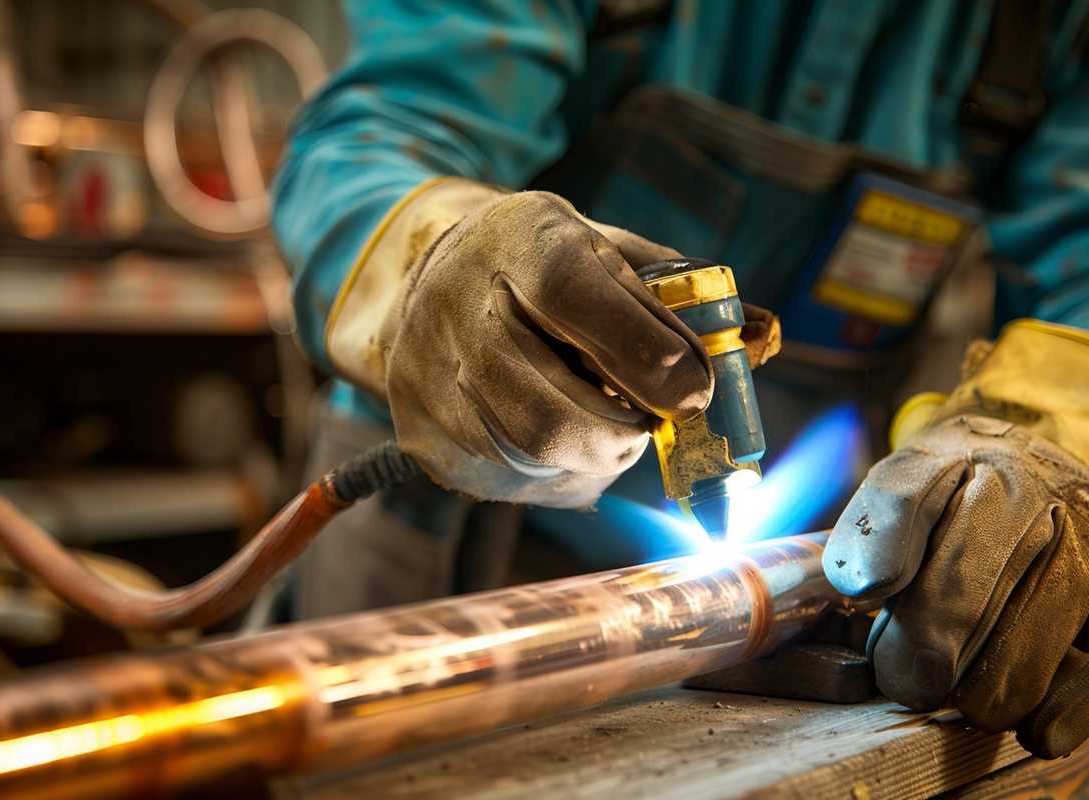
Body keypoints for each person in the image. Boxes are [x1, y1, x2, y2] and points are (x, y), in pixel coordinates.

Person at [272, 1, 1089, 758]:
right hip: (436, 554)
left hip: (775, 624)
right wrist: (440, 267)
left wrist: (1034, 440)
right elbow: (373, 136)